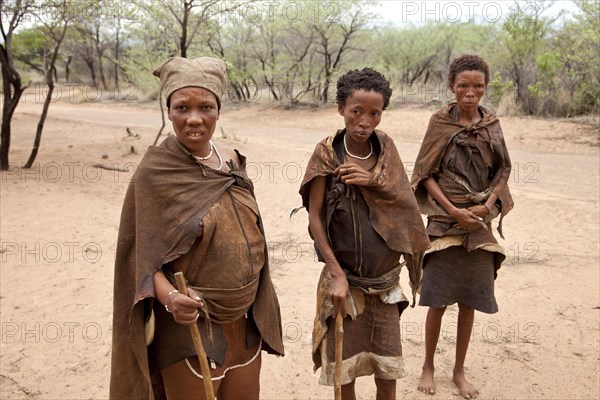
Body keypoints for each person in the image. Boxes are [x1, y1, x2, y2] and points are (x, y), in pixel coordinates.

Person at [110, 56, 284, 400]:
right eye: (181, 107)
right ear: (169, 111)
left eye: (205, 106)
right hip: (190, 329)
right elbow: (141, 261)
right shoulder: (156, 173)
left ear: (218, 110)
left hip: (244, 322)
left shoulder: (232, 160)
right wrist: (172, 298)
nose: (193, 118)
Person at [299, 68, 430, 400]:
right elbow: (315, 217)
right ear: (341, 108)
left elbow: (404, 203)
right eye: (356, 111)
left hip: (385, 285)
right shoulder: (327, 154)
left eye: (375, 113)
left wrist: (372, 182)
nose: (364, 121)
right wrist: (336, 274)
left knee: (387, 373)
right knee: (346, 375)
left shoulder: (386, 150)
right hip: (345, 285)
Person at [411, 54, 514, 399]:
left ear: (485, 88)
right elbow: (424, 173)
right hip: (444, 221)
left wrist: (486, 205)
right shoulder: (439, 122)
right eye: (463, 86)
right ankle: (428, 365)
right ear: (452, 87)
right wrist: (453, 209)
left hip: (479, 223)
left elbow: (503, 170)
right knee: (437, 300)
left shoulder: (492, 124)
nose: (471, 93)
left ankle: (458, 370)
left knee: (470, 301)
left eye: (478, 86)